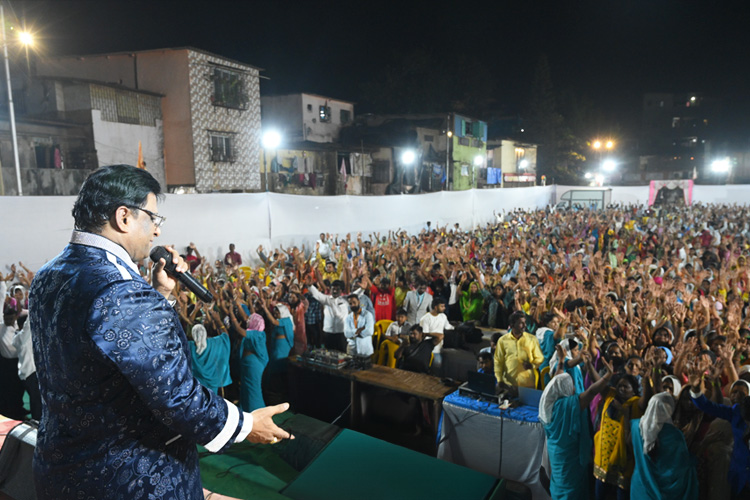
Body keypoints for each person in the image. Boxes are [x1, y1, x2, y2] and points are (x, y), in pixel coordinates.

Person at [29, 165, 292, 500]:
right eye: (153, 218)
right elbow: (176, 394)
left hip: (63, 468)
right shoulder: (121, 290)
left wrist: (161, 295)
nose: (155, 231)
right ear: (124, 217)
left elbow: (118, 352)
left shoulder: (49, 275)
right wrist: (247, 425)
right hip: (125, 478)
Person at [539, 351, 614, 500]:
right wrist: (607, 376)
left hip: (557, 453)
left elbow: (558, 377)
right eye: (572, 386)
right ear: (565, 389)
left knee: (560, 481)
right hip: (570, 456)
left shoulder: (549, 403)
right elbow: (592, 391)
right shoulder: (568, 406)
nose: (574, 389)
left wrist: (561, 361)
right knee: (570, 487)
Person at [630, 392, 698, 500]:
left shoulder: (635, 426)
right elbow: (681, 465)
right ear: (670, 410)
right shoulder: (674, 435)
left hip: (640, 486)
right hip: (665, 489)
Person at [494, 311, 544, 388]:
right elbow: (498, 361)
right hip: (509, 384)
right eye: (521, 323)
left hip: (527, 384)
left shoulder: (532, 339)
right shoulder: (502, 340)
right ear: (512, 325)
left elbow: (540, 358)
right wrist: (499, 379)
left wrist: (532, 365)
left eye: (525, 323)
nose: (525, 326)